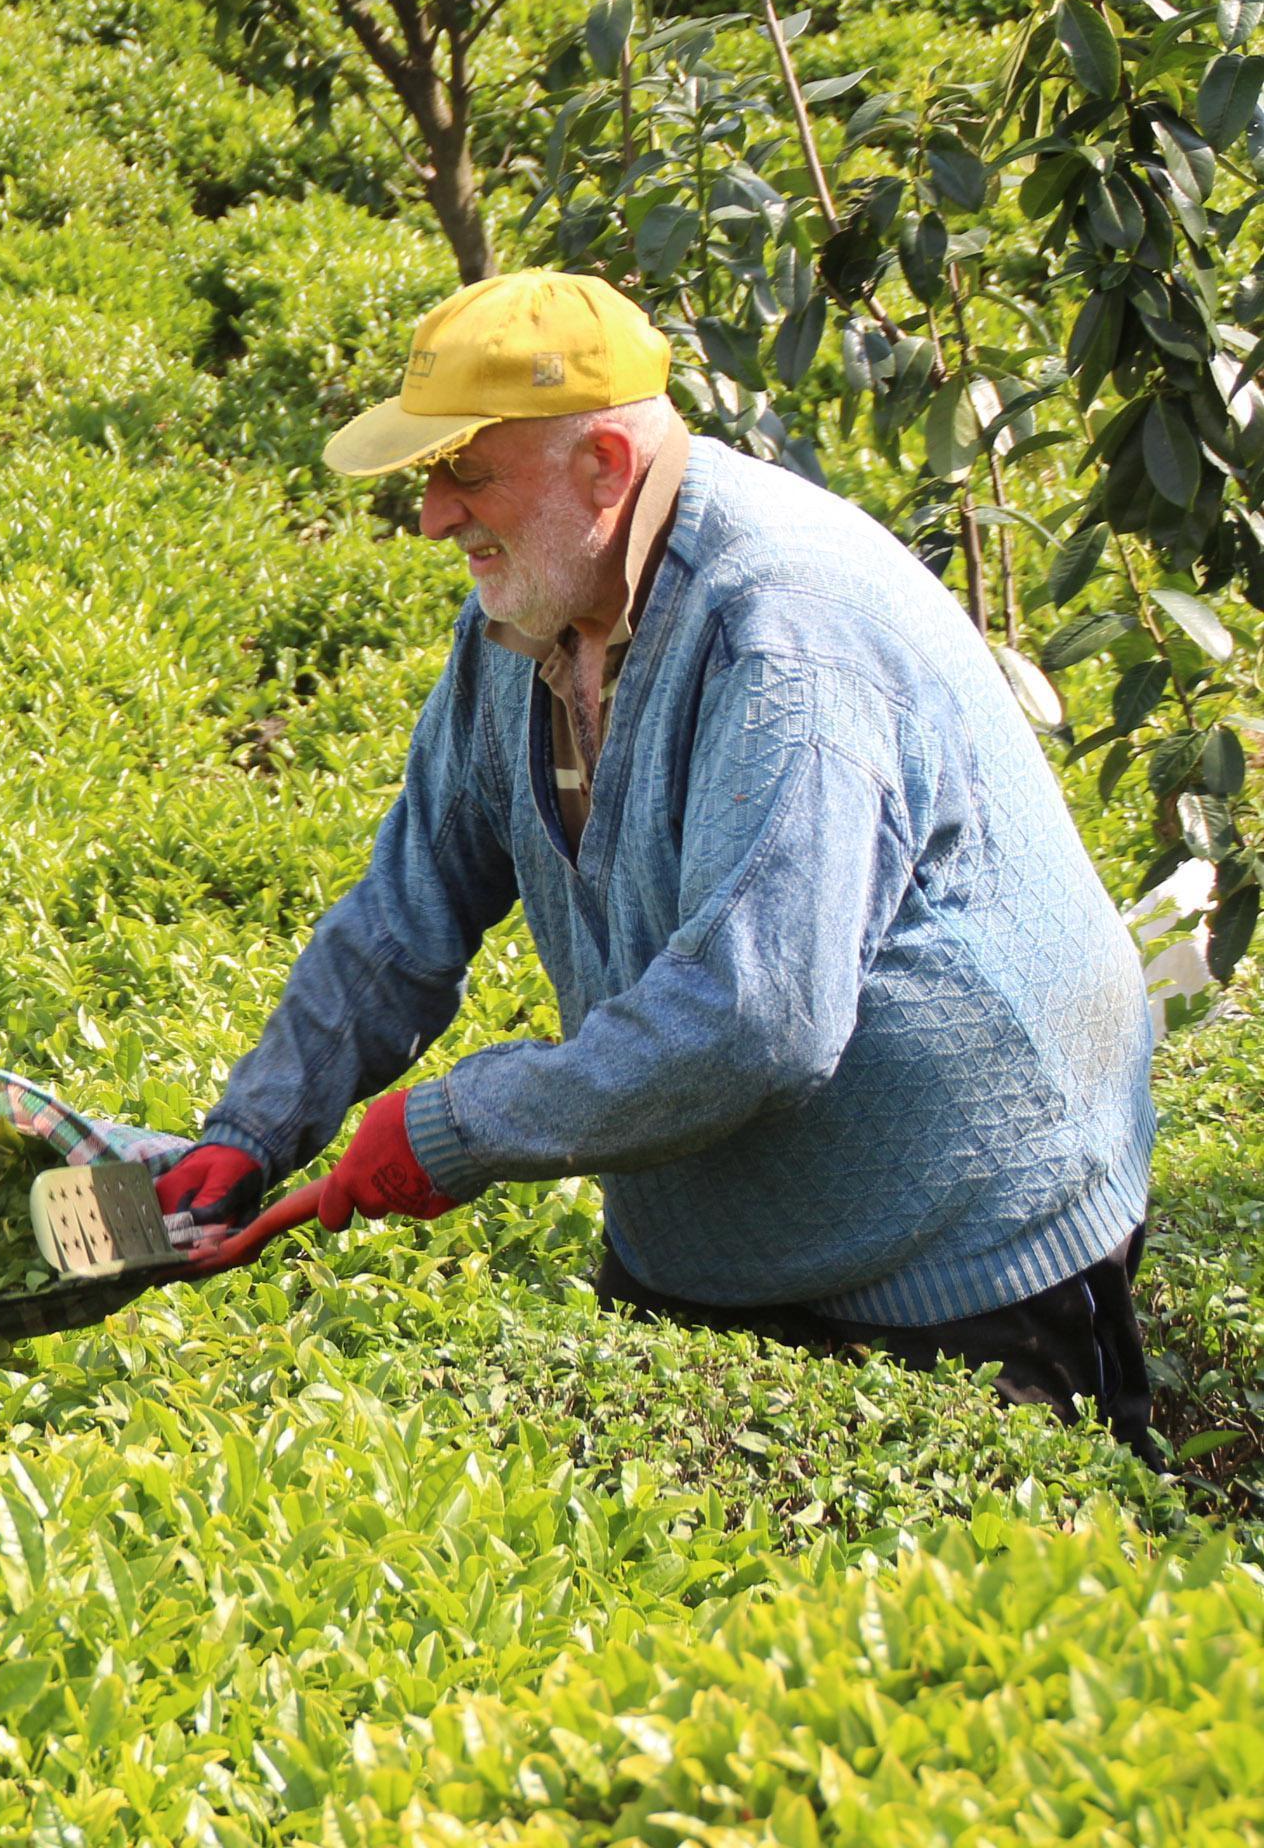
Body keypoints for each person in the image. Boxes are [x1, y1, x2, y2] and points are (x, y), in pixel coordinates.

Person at [161, 270, 1161, 1452]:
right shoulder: (523, 617)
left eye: (465, 471)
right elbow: (404, 911)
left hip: (961, 1243)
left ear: (604, 467)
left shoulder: (784, 632)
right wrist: (256, 1125)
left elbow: (758, 1017)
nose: (432, 515)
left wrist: (451, 1126)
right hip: (712, 1233)